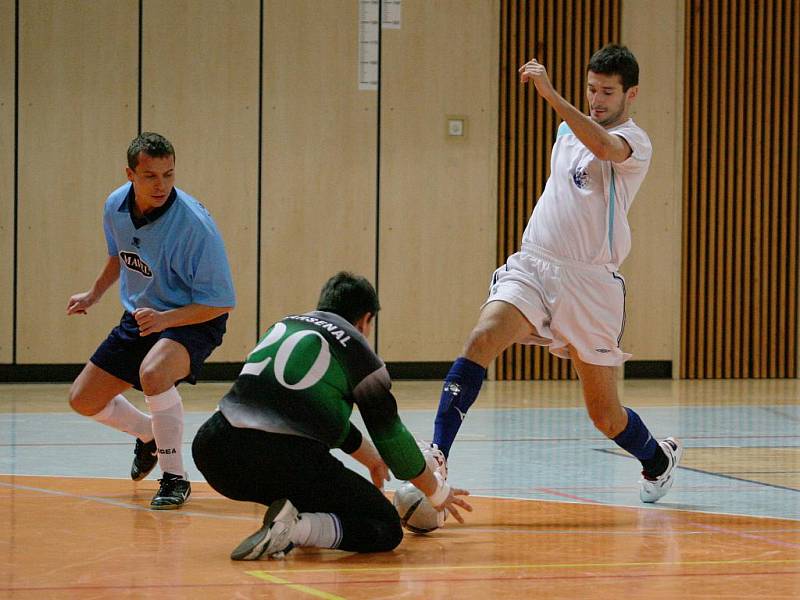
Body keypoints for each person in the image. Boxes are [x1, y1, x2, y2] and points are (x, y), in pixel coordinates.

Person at [431, 45, 683, 503]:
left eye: (607, 91)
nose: (596, 99)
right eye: (591, 89)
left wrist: (550, 93)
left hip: (590, 285)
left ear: (632, 94)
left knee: (605, 417)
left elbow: (604, 146)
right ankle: (437, 458)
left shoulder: (635, 141)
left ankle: (657, 460)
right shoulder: (568, 130)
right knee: (481, 338)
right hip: (536, 263)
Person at [192, 272, 472, 560]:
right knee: (385, 526)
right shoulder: (358, 351)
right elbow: (394, 441)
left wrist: (371, 459)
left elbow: (311, 414)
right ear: (365, 320)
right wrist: (438, 492)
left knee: (311, 481)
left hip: (212, 451)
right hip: (279, 458)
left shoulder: (285, 324)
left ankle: (295, 517)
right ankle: (296, 530)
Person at [67, 132, 235, 510]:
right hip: (143, 316)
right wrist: (93, 294)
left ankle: (175, 477)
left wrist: (166, 320)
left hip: (194, 318)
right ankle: (149, 435)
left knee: (154, 373)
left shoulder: (194, 227)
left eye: (169, 175)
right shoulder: (115, 205)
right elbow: (119, 256)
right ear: (130, 174)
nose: (161, 185)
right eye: (151, 176)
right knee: (83, 400)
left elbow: (221, 303)